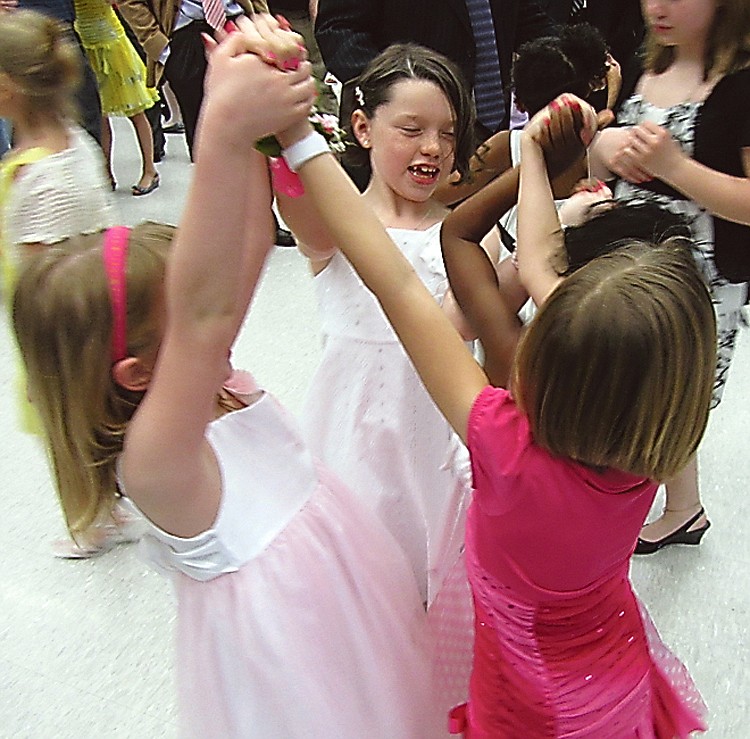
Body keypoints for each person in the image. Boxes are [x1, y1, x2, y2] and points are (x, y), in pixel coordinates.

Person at [12, 19, 439, 737]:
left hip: (335, 594)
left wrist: (251, 126)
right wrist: (218, 125)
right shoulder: (155, 461)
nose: (200, 310)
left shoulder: (206, 374)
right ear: (139, 368)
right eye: (172, 306)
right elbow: (206, 309)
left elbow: (242, 246)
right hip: (288, 652)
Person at [277, 62, 712, 732]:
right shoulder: (649, 448)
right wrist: (535, 160)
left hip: (527, 704)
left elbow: (400, 286)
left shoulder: (505, 447)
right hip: (613, 679)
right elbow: (536, 267)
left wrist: (294, 136)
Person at [588, 0, 750, 553]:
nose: (656, 6)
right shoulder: (644, 68)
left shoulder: (740, 85)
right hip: (629, 257)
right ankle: (680, 506)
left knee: (675, 391)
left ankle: (674, 507)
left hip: (699, 279)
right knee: (632, 378)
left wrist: (676, 167)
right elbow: (600, 154)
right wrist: (603, 146)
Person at [0, 9, 124, 557]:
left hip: (59, 324)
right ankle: (111, 503)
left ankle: (91, 518)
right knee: (92, 415)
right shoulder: (76, 141)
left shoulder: (37, 173)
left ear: (6, 89)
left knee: (65, 427)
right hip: (95, 307)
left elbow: (41, 276)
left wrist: (38, 356)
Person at [73, 0, 160, 195]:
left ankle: (150, 170)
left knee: (135, 110)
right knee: (100, 114)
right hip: (84, 42)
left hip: (110, 43)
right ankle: (106, 173)